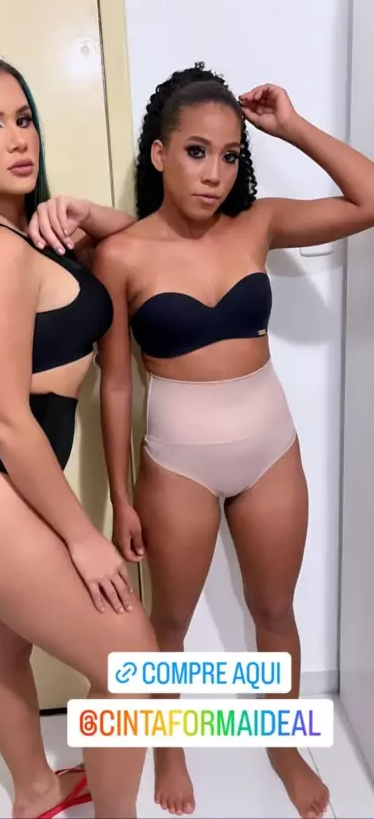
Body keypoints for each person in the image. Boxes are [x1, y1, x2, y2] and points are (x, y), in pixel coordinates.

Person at [91, 62, 374, 819]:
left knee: (274, 612)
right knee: (169, 625)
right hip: (176, 466)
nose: (215, 173)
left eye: (229, 155)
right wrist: (120, 497)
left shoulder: (258, 224)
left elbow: (369, 200)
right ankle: (170, 744)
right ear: (159, 153)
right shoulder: (120, 255)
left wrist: (293, 126)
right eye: (196, 152)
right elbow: (114, 385)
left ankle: (284, 745)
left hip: (271, 450)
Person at [0, 51, 158, 819]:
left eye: (23, 119)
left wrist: (86, 215)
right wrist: (83, 537)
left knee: (3, 654)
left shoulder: (18, 234)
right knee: (131, 663)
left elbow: (144, 248)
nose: (18, 138)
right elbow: (7, 417)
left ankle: (36, 793)